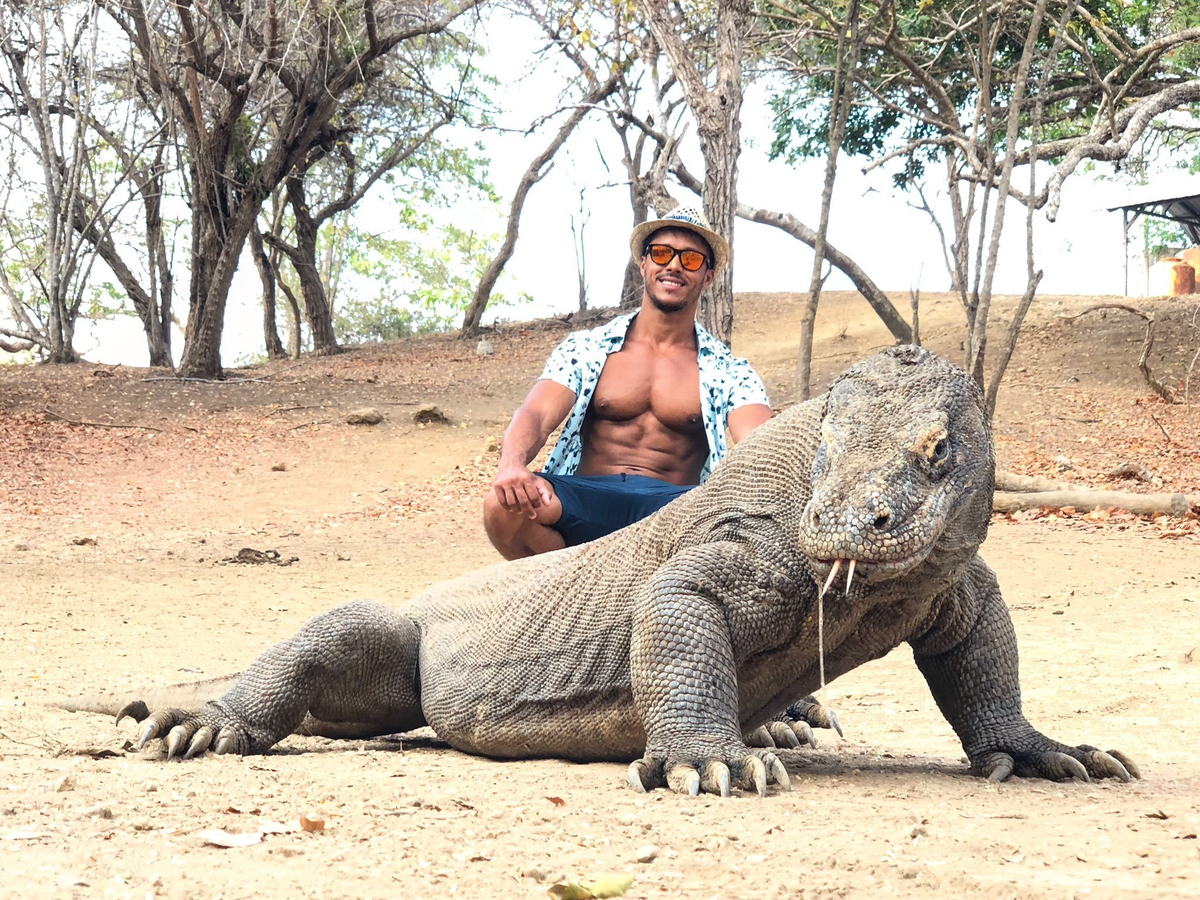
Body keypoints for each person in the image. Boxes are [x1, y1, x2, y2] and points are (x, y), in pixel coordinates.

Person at [483, 206, 773, 559]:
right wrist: (511, 464)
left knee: (737, 527)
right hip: (586, 497)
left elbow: (761, 444)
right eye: (662, 253)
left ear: (708, 277)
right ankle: (562, 586)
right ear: (644, 264)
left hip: (675, 509)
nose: (675, 265)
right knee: (502, 506)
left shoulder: (728, 370)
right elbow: (537, 413)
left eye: (692, 259)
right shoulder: (586, 348)